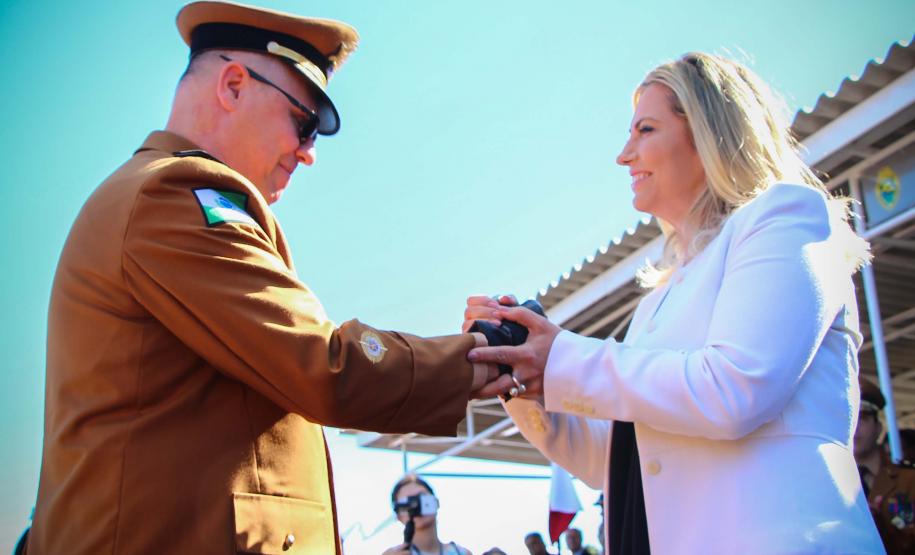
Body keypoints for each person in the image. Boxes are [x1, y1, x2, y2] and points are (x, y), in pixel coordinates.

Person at [26, 2, 501, 553]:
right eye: (305, 122)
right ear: (232, 85)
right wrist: (482, 356)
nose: (308, 154)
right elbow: (325, 366)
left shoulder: (163, 195)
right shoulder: (172, 194)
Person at [464, 52, 883, 553]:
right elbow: (613, 460)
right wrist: (521, 376)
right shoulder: (656, 302)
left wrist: (561, 358)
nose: (624, 154)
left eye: (645, 130)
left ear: (708, 132)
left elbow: (735, 389)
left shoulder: (785, 217)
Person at [855, 378, 915, 553]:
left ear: (879, 428)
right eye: (849, 419)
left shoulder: (909, 480)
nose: (855, 427)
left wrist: (883, 527)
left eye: (863, 417)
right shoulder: (827, 483)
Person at [382, 474, 472, 555]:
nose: (416, 505)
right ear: (398, 515)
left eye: (421, 497)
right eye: (407, 502)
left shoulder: (461, 553)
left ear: (436, 502)